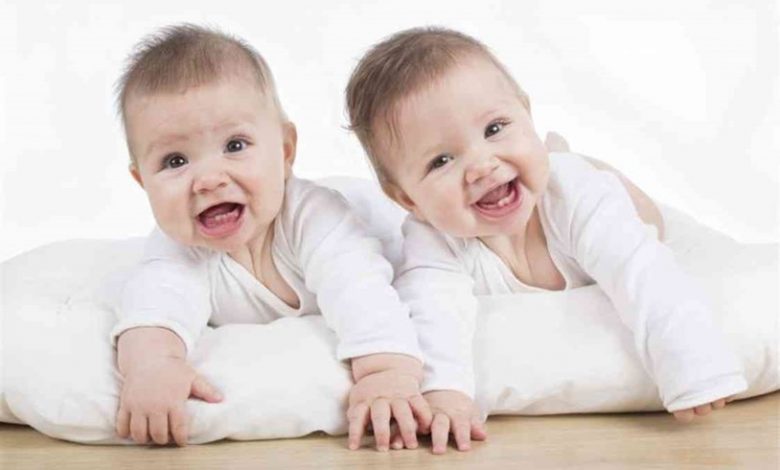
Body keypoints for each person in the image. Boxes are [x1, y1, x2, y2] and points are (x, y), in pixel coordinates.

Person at [345, 26, 747, 454]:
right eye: (442, 160)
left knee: (599, 194)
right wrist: (445, 393)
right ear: (409, 200)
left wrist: (694, 366)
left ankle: (563, 154)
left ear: (527, 114)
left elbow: (644, 275)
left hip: (614, 208)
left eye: (495, 128)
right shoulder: (431, 237)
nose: (481, 165)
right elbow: (433, 311)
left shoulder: (575, 196)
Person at [112, 24, 432, 450]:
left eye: (235, 145)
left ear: (285, 151)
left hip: (388, 223)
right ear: (142, 182)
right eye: (175, 161)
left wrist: (386, 372)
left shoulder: (317, 219)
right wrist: (152, 367)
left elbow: (361, 290)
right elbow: (153, 309)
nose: (209, 179)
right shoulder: (176, 247)